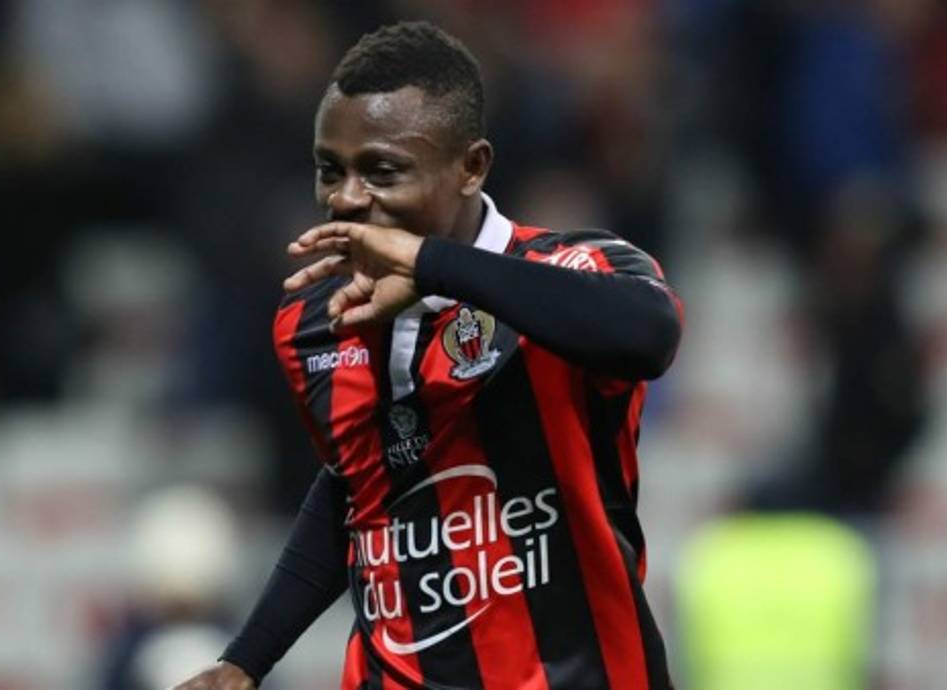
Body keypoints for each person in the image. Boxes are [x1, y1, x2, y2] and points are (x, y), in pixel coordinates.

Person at [172, 20, 683, 690]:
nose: (348, 199)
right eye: (332, 170)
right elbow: (359, 485)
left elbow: (649, 335)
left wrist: (434, 265)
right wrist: (246, 660)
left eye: (383, 171)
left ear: (471, 167)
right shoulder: (312, 321)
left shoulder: (576, 268)